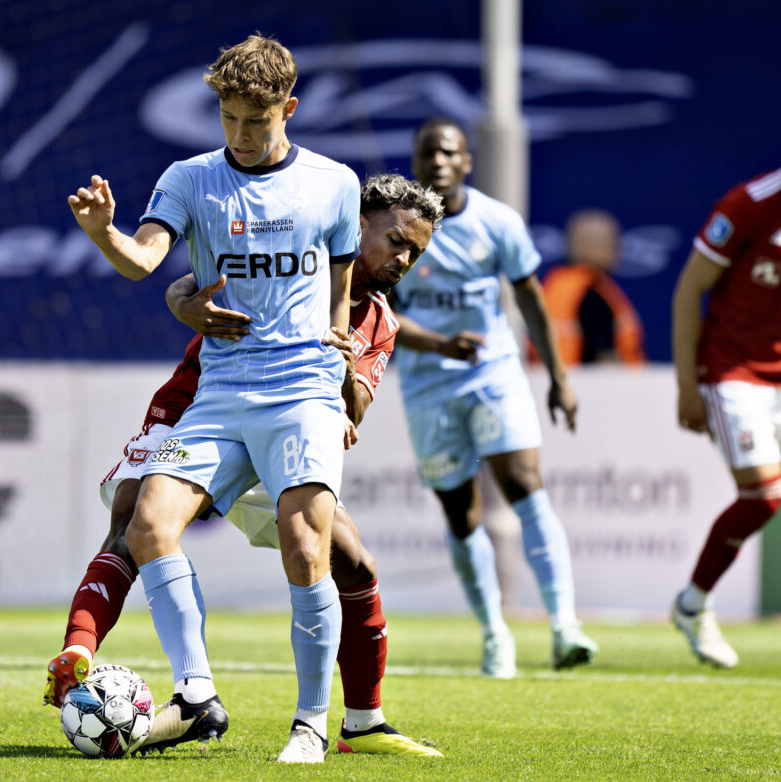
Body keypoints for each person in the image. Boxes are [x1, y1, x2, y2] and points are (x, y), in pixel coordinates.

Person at [47, 174, 447, 759]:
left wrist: (342, 367)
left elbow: (355, 404)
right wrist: (185, 303)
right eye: (396, 241)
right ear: (357, 225)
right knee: (137, 520)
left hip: (289, 427)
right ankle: (80, 652)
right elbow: (185, 285)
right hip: (202, 404)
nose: (404, 258)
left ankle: (362, 722)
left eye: (417, 250)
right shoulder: (296, 257)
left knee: (352, 560)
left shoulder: (378, 320)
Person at [67, 34, 361, 763]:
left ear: (288, 108)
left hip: (301, 393)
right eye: (228, 119)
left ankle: (310, 723)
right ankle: (196, 693)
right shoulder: (189, 178)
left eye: (256, 122)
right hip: (219, 393)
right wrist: (106, 234)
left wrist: (340, 343)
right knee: (147, 520)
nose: (240, 135)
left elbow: (344, 285)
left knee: (304, 545)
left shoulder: (334, 182)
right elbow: (144, 261)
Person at [390, 117, 599, 678]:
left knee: (526, 486)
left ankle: (564, 627)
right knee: (461, 514)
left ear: (467, 162)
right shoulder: (395, 229)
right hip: (427, 385)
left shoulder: (497, 221)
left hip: (494, 374)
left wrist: (558, 376)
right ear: (415, 162)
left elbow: (530, 296)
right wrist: (437, 342)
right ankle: (494, 635)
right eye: (427, 152)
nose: (437, 160)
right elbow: (379, 313)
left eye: (449, 152)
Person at [670, 151, 781, 668]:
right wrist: (687, 385)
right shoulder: (752, 203)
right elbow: (689, 289)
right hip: (734, 374)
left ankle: (692, 604)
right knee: (763, 498)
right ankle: (694, 606)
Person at [538, 209, 646, 366]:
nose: (618, 251)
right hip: (589, 386)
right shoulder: (590, 296)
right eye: (612, 244)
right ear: (588, 246)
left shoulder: (555, 286)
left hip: (556, 382)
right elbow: (605, 359)